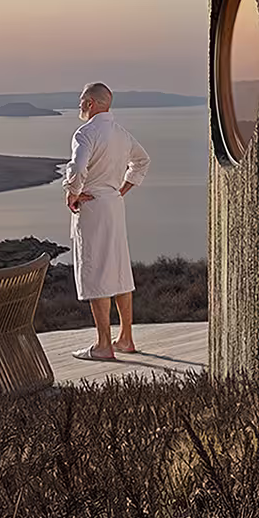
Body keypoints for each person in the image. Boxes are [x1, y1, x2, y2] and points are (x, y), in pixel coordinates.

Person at [64, 81, 150, 360]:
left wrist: (72, 192)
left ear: (90, 103)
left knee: (96, 272)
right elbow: (142, 160)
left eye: (81, 100)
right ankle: (126, 338)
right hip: (114, 205)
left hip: (93, 207)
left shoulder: (85, 133)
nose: (79, 105)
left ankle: (103, 345)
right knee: (119, 270)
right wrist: (122, 189)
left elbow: (78, 167)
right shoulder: (121, 134)